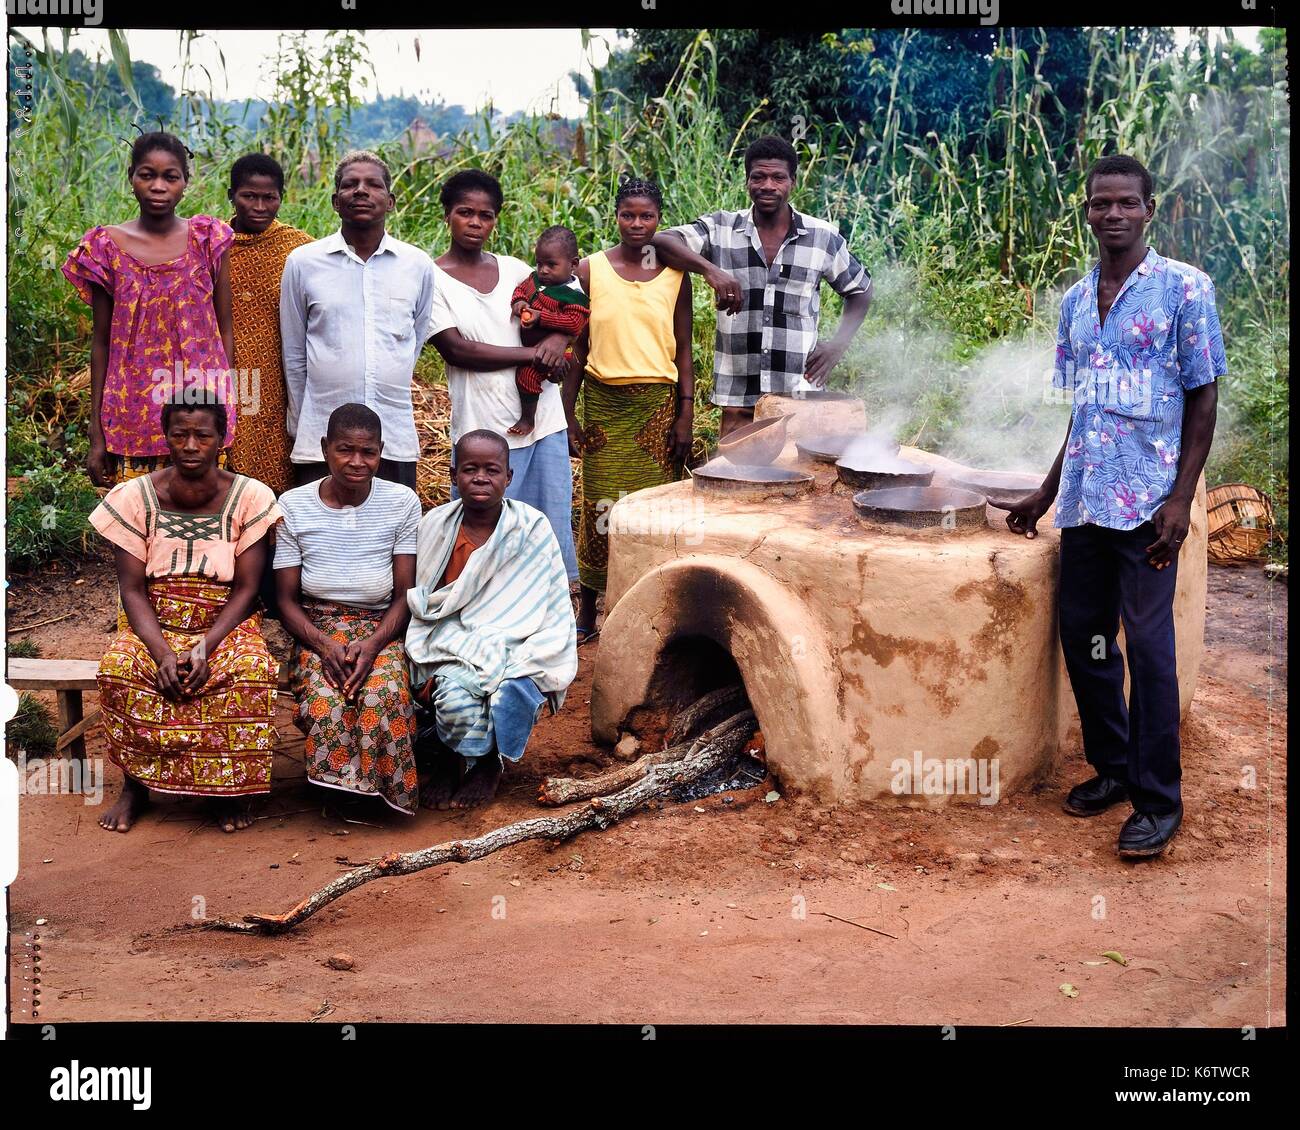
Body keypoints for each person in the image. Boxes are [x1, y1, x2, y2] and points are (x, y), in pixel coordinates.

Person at [1006, 155, 1223, 860]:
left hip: (1150, 506)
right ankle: (1115, 769)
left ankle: (1160, 803)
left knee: (1150, 650)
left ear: (1148, 209)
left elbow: (1203, 396)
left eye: (1126, 202)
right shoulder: (1074, 301)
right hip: (1087, 502)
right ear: (1089, 211)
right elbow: (1084, 410)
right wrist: (1046, 491)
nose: (1113, 214)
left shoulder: (1185, 290)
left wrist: (1182, 499)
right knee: (1085, 637)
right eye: (1101, 204)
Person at [90, 395, 282, 834]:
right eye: (180, 435)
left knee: (250, 669)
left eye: (202, 435)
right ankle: (135, 787)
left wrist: (204, 646)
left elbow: (248, 588)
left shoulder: (251, 496)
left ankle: (228, 789)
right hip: (155, 620)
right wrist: (160, 652)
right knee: (120, 667)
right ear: (167, 438)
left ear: (222, 439)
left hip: (225, 622)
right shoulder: (134, 497)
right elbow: (133, 590)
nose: (191, 445)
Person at [650, 135, 873, 437]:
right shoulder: (721, 228)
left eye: (778, 177)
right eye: (759, 177)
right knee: (735, 477)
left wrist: (838, 346)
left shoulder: (822, 237)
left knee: (801, 476)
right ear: (747, 181)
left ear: (793, 182)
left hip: (798, 394)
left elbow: (860, 290)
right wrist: (711, 270)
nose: (768, 185)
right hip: (739, 394)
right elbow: (662, 241)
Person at [406, 430, 578, 809]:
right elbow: (429, 599)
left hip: (516, 638)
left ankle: (488, 764)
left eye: (491, 469)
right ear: (452, 475)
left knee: (513, 683)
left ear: (509, 477)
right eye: (470, 469)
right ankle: (453, 761)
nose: (480, 477)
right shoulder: (435, 525)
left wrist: (511, 645)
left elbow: (549, 603)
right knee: (453, 699)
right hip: (451, 639)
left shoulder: (531, 528)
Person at [427, 170, 579, 582]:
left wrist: (559, 339)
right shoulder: (431, 279)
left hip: (542, 420)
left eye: (486, 215)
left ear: (496, 219)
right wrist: (536, 351)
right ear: (447, 216)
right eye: (465, 212)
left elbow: (568, 297)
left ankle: (550, 624)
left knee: (546, 530)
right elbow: (459, 350)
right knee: (484, 544)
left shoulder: (516, 270)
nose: (476, 223)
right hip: (482, 431)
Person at [561, 177, 694, 639]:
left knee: (652, 512)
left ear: (660, 219)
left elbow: (684, 350)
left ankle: (649, 607)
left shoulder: (676, 275)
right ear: (615, 216)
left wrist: (685, 413)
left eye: (647, 216)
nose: (637, 224)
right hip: (604, 404)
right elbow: (577, 348)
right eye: (628, 215)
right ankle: (589, 610)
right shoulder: (589, 270)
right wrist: (568, 416)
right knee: (600, 507)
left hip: (657, 407)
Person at [63, 131, 235, 487]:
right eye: (147, 175)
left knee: (199, 516)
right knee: (139, 520)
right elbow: (101, 342)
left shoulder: (207, 240)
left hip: (198, 416)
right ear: (131, 178)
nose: (158, 186)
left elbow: (224, 329)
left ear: (185, 182)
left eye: (170, 176)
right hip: (130, 415)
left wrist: (227, 410)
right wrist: (97, 432)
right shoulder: (104, 247)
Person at [274, 404, 422, 815]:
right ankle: (337, 794)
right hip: (317, 626)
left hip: (381, 627)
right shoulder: (293, 505)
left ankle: (380, 796)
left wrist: (373, 646)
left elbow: (404, 595)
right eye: (345, 450)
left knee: (384, 692)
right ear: (324, 449)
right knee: (327, 697)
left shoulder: (402, 502)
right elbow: (285, 599)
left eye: (368, 452)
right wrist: (323, 646)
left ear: (381, 452)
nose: (357, 462)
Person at [280, 150, 434, 491]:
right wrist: (300, 423)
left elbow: (413, 341)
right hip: (321, 435)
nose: (361, 191)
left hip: (392, 434)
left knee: (390, 535)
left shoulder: (417, 265)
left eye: (373, 184)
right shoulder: (304, 263)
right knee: (321, 535)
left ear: (390, 200)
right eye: (350, 185)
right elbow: (294, 353)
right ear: (336, 201)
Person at [227, 152, 314, 495]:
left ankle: (273, 540)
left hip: (281, 378)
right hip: (230, 376)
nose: (260, 206)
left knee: (278, 461)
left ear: (282, 197)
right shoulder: (211, 245)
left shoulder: (299, 249)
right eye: (249, 196)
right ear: (231, 195)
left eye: (270, 197)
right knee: (228, 459)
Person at [508, 225, 590, 437]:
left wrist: (541, 317)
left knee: (526, 376)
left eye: (551, 265)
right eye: (539, 263)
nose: (543, 270)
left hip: (557, 351)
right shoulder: (535, 279)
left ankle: (528, 419)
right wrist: (519, 302)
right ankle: (554, 373)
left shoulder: (574, 295)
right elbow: (520, 290)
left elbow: (574, 323)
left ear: (573, 264)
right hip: (532, 347)